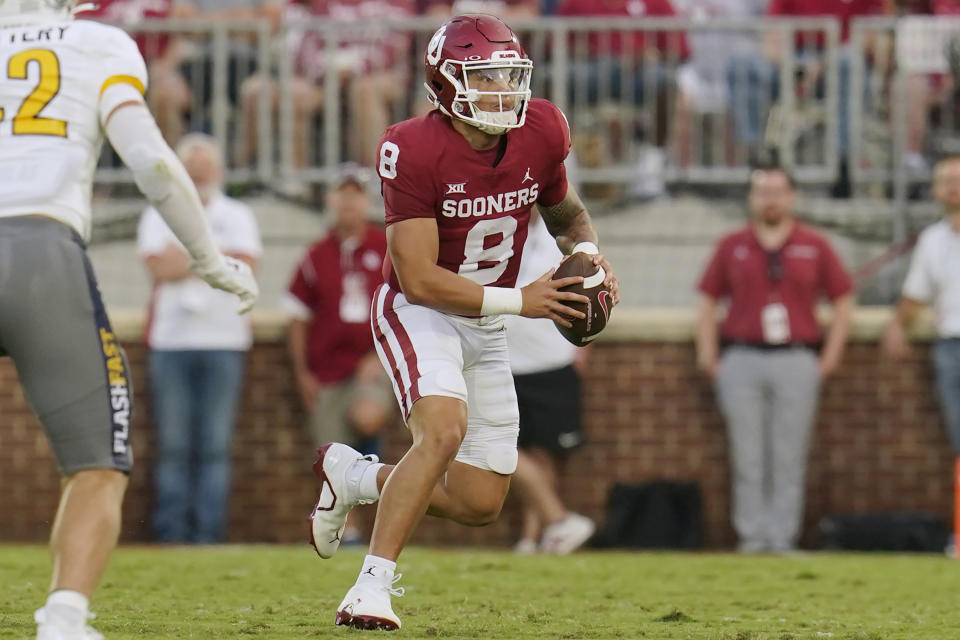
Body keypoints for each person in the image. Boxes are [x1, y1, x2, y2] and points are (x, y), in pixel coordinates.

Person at [305, 14, 619, 631]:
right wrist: (521, 302)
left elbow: (570, 216)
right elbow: (419, 277)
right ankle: (370, 586)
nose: (503, 90)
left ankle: (355, 476)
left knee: (479, 503)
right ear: (444, 85)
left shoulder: (542, 129)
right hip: (419, 312)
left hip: (485, 322)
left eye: (509, 74)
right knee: (442, 433)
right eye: (485, 76)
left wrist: (588, 258)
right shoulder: (412, 147)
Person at [0, 1, 258, 638]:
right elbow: (151, 162)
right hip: (40, 250)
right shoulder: (96, 42)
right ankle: (63, 618)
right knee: (95, 461)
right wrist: (208, 256)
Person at [695, 162, 853, 553]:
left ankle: (782, 539)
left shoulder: (815, 245)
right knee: (746, 454)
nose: (770, 199)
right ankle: (751, 538)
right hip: (742, 358)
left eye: (778, 191)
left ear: (792, 197)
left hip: (797, 358)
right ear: (752, 198)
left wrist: (829, 358)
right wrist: (709, 355)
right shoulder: (732, 246)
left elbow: (844, 301)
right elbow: (707, 300)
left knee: (789, 455)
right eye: (763, 191)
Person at [137, 134, 262, 544]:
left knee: (214, 445)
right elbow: (158, 267)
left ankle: (208, 534)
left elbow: (246, 267)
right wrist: (215, 260)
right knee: (173, 445)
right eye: (192, 168)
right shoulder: (158, 211)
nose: (199, 174)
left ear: (218, 171)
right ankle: (172, 533)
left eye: (205, 167)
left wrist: (187, 258)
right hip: (170, 343)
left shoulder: (238, 213)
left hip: (225, 341)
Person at [283, 165, 393, 543]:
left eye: (355, 194)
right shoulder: (316, 256)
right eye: (341, 194)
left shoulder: (384, 248)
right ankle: (350, 531)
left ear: (366, 201)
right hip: (328, 368)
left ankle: (377, 513)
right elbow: (297, 317)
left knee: (366, 417)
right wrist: (303, 375)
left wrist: (378, 355)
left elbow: (405, 303)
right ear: (330, 201)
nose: (348, 202)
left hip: (371, 364)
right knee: (331, 454)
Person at [503, 211, 595, 555]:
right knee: (500, 448)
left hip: (551, 361)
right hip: (503, 360)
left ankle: (537, 537)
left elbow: (592, 290)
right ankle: (556, 525)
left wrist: (586, 345)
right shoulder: (491, 234)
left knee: (544, 456)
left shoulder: (562, 240)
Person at [882, 156, 960, 453]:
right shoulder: (932, 240)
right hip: (950, 348)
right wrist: (897, 325)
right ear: (935, 191)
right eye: (946, 181)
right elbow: (915, 293)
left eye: (958, 180)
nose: (954, 188)